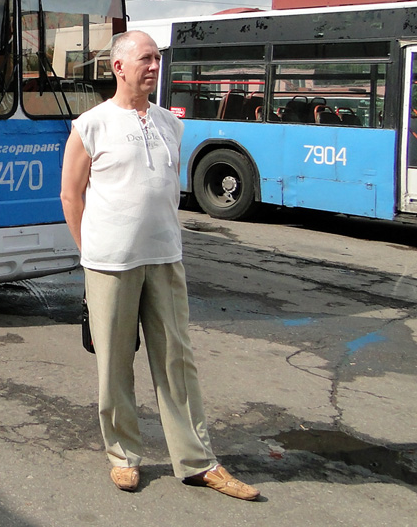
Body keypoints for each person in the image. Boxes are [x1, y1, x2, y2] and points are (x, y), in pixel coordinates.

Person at [60, 30, 260, 500]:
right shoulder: (91, 125)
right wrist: (89, 254)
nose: (154, 66)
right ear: (119, 67)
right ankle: (123, 456)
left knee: (177, 362)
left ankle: (198, 461)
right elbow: (71, 195)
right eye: (145, 59)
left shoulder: (171, 124)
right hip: (111, 263)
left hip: (166, 258)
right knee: (114, 365)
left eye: (157, 59)